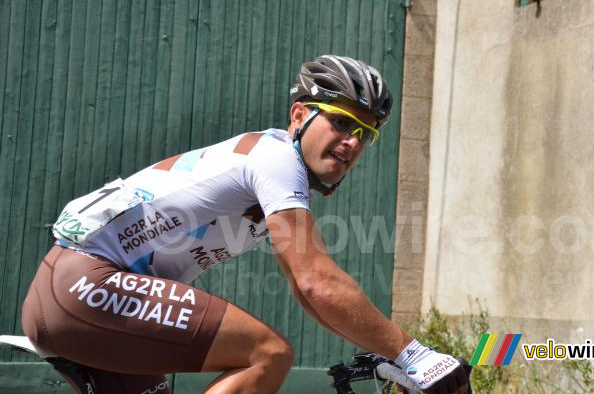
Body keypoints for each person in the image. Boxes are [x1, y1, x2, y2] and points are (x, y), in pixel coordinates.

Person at [21, 55, 468, 394]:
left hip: (71, 294)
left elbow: (304, 290)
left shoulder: (275, 173)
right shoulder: (275, 158)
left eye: (365, 133)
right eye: (341, 121)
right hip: (91, 286)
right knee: (268, 353)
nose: (351, 142)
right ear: (299, 116)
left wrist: (389, 351)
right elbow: (318, 281)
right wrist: (414, 354)